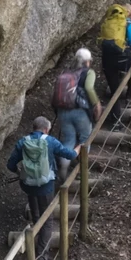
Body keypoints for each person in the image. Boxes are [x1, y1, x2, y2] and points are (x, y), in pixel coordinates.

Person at [7, 116, 78, 260]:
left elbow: (10, 165)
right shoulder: (50, 141)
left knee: (36, 216)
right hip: (46, 186)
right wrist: (80, 147)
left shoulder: (23, 142)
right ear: (46, 129)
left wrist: (20, 172)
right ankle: (41, 256)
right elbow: (70, 154)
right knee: (47, 220)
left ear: (34, 127)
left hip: (29, 185)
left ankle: (36, 240)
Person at [52, 48, 101, 180]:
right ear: (87, 61)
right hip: (80, 111)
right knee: (85, 140)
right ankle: (82, 171)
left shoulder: (67, 72)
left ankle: (63, 170)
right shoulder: (88, 72)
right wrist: (96, 104)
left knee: (69, 140)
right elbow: (89, 88)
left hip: (63, 111)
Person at [98, 4, 131, 128]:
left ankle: (115, 122)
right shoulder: (128, 24)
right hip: (123, 57)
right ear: (129, 13)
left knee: (114, 90)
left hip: (107, 59)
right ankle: (130, 97)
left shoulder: (107, 22)